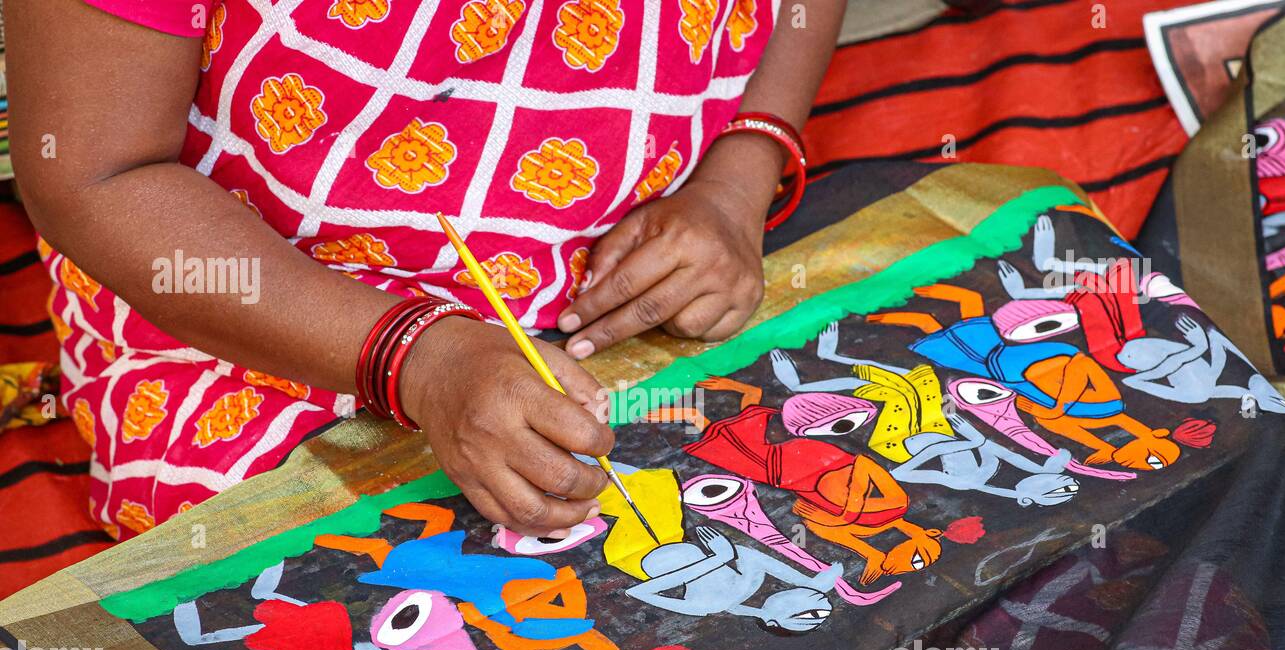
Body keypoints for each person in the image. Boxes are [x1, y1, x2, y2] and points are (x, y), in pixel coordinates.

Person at [7, 0, 845, 540]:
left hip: (635, 272)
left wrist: (738, 177)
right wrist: (421, 357)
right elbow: (97, 178)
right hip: (257, 325)